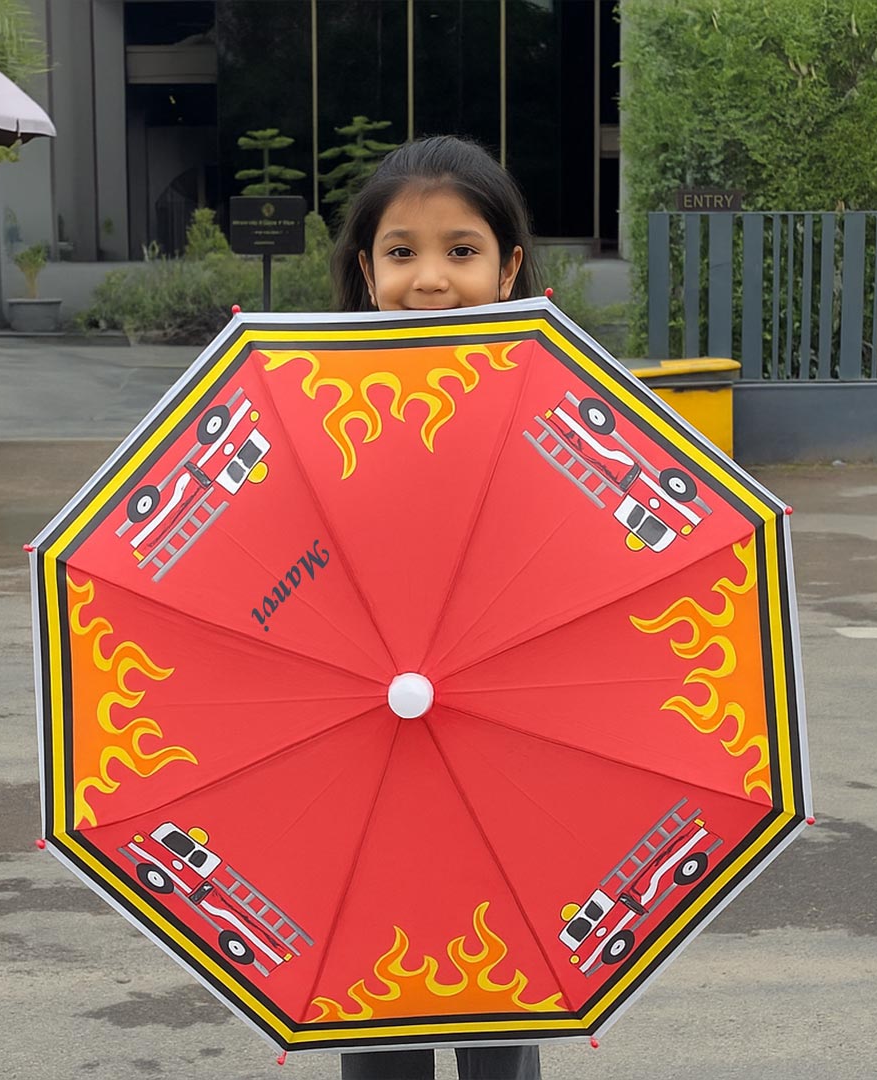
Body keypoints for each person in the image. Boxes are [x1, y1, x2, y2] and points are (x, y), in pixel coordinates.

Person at [331, 135, 542, 1080]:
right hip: (363, 738)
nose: (430, 279)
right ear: (364, 269)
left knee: (503, 995)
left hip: (503, 744)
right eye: (401, 251)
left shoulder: (552, 411)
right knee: (373, 996)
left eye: (461, 250)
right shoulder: (321, 415)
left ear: (509, 268)